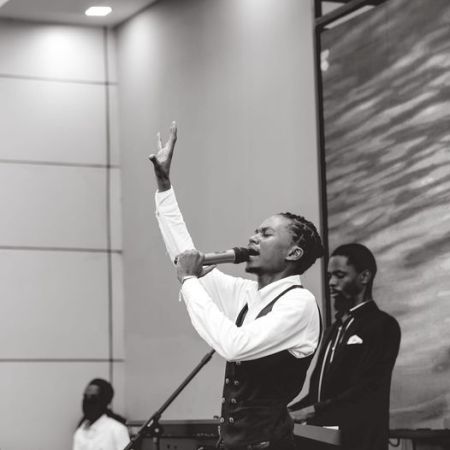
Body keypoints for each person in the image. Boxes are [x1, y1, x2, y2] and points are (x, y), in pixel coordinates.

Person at [149, 122, 324, 450]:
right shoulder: (248, 294)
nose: (253, 238)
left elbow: (235, 346)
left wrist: (189, 281)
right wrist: (164, 187)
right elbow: (185, 257)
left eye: (266, 234)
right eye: (256, 232)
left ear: (294, 253)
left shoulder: (299, 304)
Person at [289, 243, 401, 450]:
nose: (331, 282)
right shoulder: (333, 329)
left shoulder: (383, 325)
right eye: (330, 276)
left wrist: (310, 411)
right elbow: (318, 394)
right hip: (322, 441)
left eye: (339, 275)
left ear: (364, 277)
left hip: (359, 441)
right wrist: (283, 413)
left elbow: (367, 389)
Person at [73, 378, 130, 450]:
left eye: (93, 398)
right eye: (85, 397)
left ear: (104, 402)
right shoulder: (80, 431)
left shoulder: (117, 429)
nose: (87, 402)